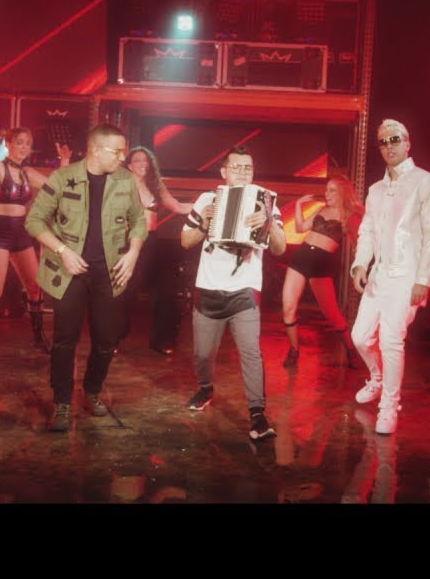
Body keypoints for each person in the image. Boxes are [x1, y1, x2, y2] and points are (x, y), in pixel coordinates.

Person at [24, 124, 146, 432]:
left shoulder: (125, 181)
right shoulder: (63, 177)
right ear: (95, 150)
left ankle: (92, 390)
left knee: (106, 340)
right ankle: (62, 401)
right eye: (117, 151)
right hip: (69, 272)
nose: (122, 157)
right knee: (65, 340)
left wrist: (133, 252)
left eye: (123, 151)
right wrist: (63, 251)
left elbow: (138, 221)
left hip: (110, 272)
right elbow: (34, 221)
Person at [180, 146, 286, 442]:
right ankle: (206, 388)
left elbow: (280, 248)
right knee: (203, 354)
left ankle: (258, 413)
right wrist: (205, 224)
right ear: (223, 172)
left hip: (244, 291)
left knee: (251, 352)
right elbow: (185, 241)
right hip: (208, 288)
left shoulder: (265, 201)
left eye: (247, 167)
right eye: (236, 167)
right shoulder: (207, 199)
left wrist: (268, 222)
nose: (242, 172)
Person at [349, 118, 430, 436]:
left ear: (407, 143)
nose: (389, 146)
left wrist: (424, 279)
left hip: (408, 276)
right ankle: (377, 378)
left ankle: (390, 406)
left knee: (391, 340)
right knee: (360, 337)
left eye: (395, 140)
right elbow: (367, 231)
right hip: (380, 275)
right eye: (383, 142)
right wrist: (360, 265)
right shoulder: (376, 190)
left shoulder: (425, 182)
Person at [0, 127, 70, 358]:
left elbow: (57, 186)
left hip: (21, 232)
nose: (24, 147)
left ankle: (38, 338)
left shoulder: (27, 172)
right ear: (8, 144)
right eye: (19, 142)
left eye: (27, 143)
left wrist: (65, 161)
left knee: (35, 288)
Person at [281, 175, 364, 369]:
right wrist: (299, 204)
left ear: (342, 192)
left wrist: (360, 266)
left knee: (332, 313)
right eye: (326, 189)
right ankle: (294, 351)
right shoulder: (321, 210)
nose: (327, 193)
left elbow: (359, 243)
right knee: (288, 308)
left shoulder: (349, 216)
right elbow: (300, 228)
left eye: (332, 190)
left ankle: (351, 350)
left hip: (322, 266)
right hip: (300, 260)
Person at [121, 146, 191, 355]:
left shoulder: (156, 186)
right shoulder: (121, 184)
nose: (143, 164)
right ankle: (112, 338)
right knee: (123, 292)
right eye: (138, 160)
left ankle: (162, 340)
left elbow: (178, 206)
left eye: (146, 160)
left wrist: (207, 205)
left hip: (150, 242)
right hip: (127, 242)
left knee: (165, 291)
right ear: (129, 165)